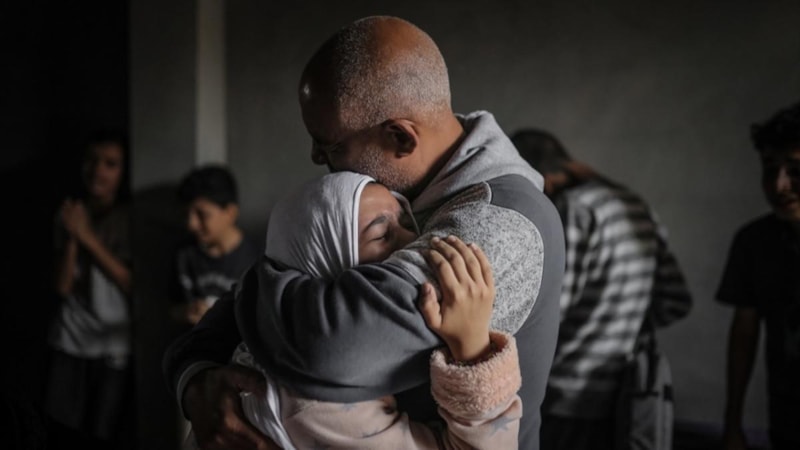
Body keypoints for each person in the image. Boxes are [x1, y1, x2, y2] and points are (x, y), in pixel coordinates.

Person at [163, 15, 566, 450]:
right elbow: (228, 328)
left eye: (331, 144)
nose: (315, 156)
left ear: (401, 138)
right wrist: (195, 377)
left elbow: (328, 350)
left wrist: (260, 277)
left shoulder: (500, 225)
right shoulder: (394, 187)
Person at [183, 171, 523, 449]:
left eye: (406, 222)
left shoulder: (267, 327)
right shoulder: (316, 407)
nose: (413, 244)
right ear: (323, 260)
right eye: (382, 235)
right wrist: (472, 347)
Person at [510, 128, 693, 449]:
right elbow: (676, 300)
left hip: (565, 394)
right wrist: (620, 329)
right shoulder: (635, 204)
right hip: (620, 391)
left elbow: (552, 310)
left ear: (541, 180)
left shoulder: (575, 209)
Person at [44, 130, 135, 449]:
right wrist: (73, 234)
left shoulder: (128, 219)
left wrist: (86, 236)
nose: (99, 171)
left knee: (101, 431)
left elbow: (131, 283)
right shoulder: (70, 212)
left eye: (110, 164)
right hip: (70, 335)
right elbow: (62, 286)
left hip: (112, 342)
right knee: (58, 426)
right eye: (92, 161)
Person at [718, 101, 800, 450]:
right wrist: (732, 423)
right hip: (787, 419)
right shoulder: (755, 241)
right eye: (770, 170)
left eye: (796, 170)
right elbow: (744, 334)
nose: (780, 185)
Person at [170, 164, 261, 326]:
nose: (191, 224)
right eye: (187, 214)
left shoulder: (257, 260)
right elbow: (170, 307)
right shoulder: (184, 254)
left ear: (230, 213)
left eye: (202, 215)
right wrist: (188, 312)